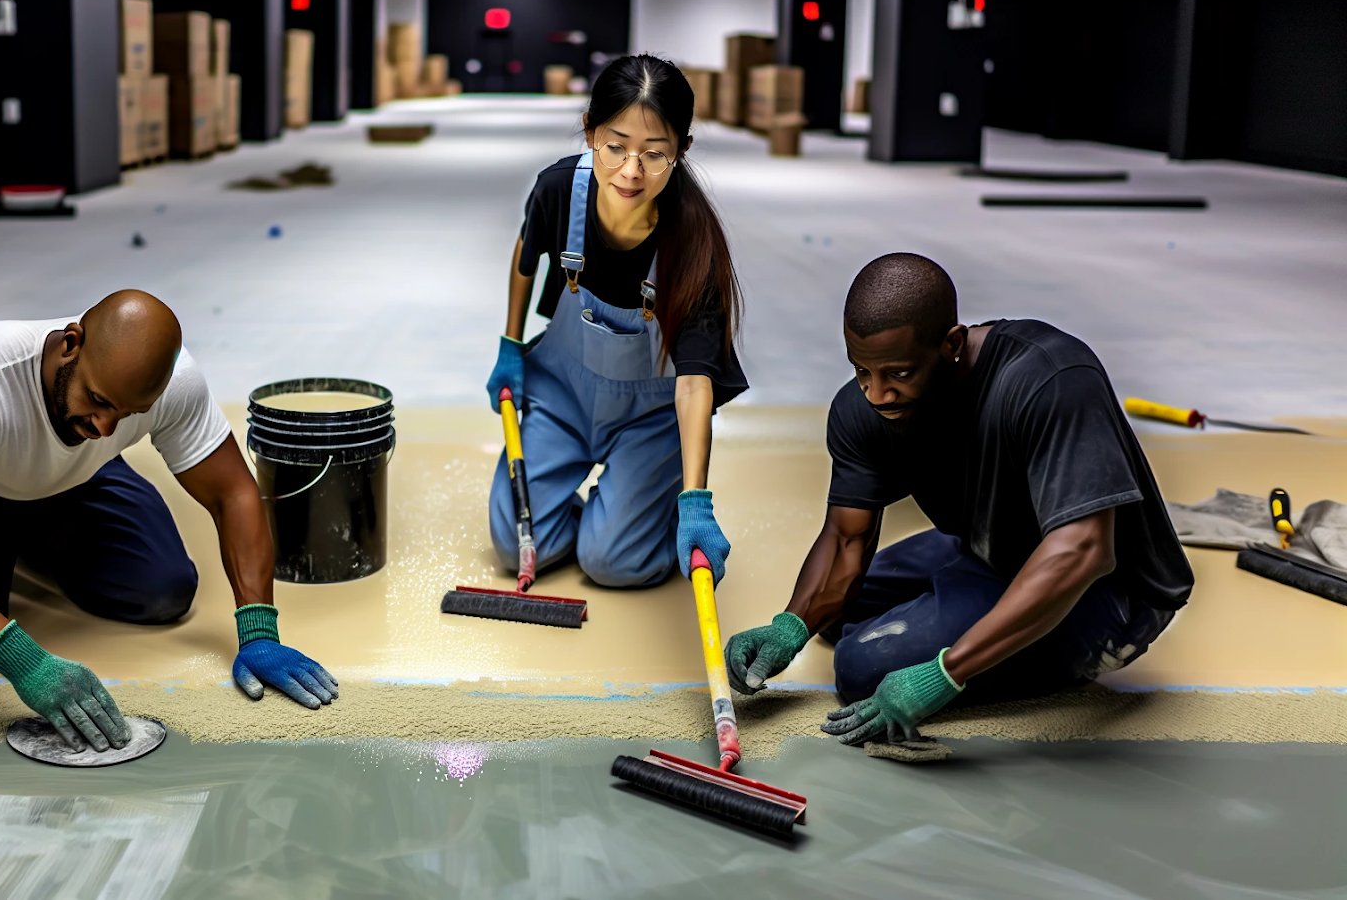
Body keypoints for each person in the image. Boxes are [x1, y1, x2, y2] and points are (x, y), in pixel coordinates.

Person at [725, 253, 1193, 746]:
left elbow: (1084, 549)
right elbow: (846, 539)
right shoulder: (867, 408)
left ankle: (985, 638)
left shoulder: (1048, 379)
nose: (876, 394)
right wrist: (789, 627)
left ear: (951, 344)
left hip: (1108, 592)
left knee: (860, 666)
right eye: (862, 370)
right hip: (991, 545)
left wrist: (946, 673)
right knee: (833, 616)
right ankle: (967, 614)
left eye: (898, 374)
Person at [0, 290, 338, 752]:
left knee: (163, 592)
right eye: (100, 400)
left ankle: (27, 529)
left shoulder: (170, 383)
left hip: (74, 477)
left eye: (128, 414)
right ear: (70, 345)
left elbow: (233, 493)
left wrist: (259, 630)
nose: (106, 426)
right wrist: (27, 664)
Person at [486, 54, 748, 589]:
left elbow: (696, 383)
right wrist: (511, 345)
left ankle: (641, 511)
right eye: (616, 147)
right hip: (563, 394)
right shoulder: (559, 189)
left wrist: (695, 501)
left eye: (655, 154)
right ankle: (614, 512)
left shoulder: (691, 241)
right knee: (517, 543)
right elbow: (526, 252)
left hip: (649, 417)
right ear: (590, 132)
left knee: (614, 563)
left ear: (682, 150)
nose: (631, 171)